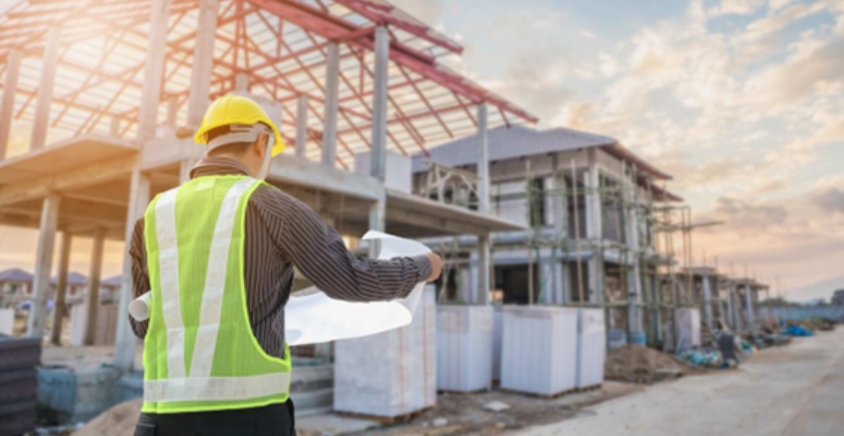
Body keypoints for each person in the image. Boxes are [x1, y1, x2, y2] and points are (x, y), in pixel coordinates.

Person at [129, 95, 443, 436]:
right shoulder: (273, 207)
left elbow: (142, 324)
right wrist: (422, 266)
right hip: (248, 421)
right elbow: (352, 279)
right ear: (261, 141)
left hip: (159, 421)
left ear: (207, 143)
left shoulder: (152, 217)